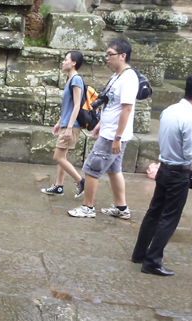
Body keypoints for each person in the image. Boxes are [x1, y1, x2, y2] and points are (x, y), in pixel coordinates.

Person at [131, 74, 192, 276]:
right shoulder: (190, 117)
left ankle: (139, 253)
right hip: (177, 175)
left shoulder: (170, 110)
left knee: (153, 213)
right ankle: (152, 261)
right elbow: (189, 153)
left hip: (164, 169)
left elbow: (177, 139)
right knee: (169, 218)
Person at [68, 38, 138, 220]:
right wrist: (100, 124)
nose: (107, 58)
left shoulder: (129, 78)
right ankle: (122, 208)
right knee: (114, 170)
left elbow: (127, 109)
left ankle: (88, 207)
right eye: (106, 55)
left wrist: (117, 137)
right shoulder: (117, 76)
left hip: (113, 135)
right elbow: (111, 105)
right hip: (110, 131)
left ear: (123, 56)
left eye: (110, 55)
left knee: (92, 169)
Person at [42, 51, 85, 197]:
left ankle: (80, 181)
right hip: (66, 123)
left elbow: (77, 105)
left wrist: (69, 127)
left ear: (74, 63)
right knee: (63, 156)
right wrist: (59, 123)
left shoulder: (76, 79)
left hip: (72, 125)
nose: (63, 62)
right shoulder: (70, 79)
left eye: (66, 59)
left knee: (58, 157)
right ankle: (58, 186)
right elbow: (68, 105)